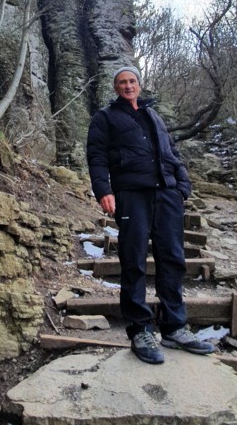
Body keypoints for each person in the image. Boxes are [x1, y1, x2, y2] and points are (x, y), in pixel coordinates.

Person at [86, 66, 215, 364]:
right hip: (132, 195)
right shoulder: (105, 117)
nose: (128, 86)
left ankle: (175, 327)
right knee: (133, 261)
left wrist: (182, 186)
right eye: (122, 82)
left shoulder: (154, 116)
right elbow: (96, 155)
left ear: (139, 85)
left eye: (132, 81)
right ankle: (140, 330)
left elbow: (171, 153)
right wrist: (104, 190)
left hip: (167, 195)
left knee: (173, 259)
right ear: (116, 88)